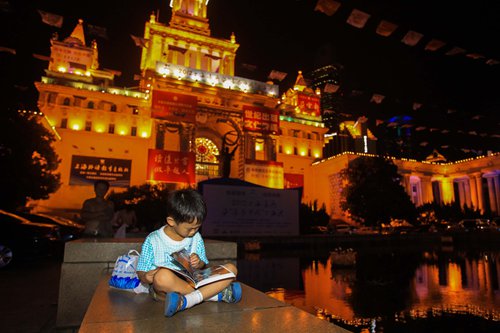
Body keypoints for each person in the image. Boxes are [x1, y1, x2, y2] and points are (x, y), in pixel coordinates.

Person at [136, 188, 241, 317]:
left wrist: (198, 262)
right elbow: (141, 270)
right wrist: (145, 277)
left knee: (231, 269)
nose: (193, 232)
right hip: (168, 286)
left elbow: (203, 264)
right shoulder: (153, 240)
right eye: (190, 229)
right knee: (162, 277)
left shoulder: (195, 237)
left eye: (197, 228)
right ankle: (210, 295)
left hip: (195, 279)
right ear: (171, 221)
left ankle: (186, 300)